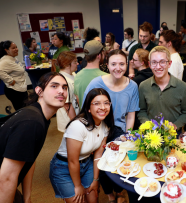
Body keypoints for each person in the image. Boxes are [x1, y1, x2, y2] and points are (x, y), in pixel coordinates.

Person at [0, 72, 68, 203]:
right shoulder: (32, 122)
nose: (61, 91)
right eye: (54, 86)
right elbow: (6, 178)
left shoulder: (38, 115)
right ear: (39, 91)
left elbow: (28, 158)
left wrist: (27, 197)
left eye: (64, 87)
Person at [83, 50, 139, 203]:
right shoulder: (96, 83)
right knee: (101, 163)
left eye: (122, 64)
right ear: (107, 65)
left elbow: (131, 115)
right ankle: (109, 194)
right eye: (113, 64)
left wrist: (127, 137)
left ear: (126, 65)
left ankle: (119, 190)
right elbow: (86, 110)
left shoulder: (132, 86)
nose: (118, 68)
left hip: (119, 130)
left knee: (121, 160)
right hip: (98, 128)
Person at [49, 88, 114, 203]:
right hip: (63, 167)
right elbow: (72, 161)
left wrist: (95, 179)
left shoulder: (104, 125)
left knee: (93, 199)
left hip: (86, 163)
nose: (103, 107)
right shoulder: (78, 126)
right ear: (88, 108)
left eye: (106, 103)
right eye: (97, 103)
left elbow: (98, 155)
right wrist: (78, 186)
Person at [138, 46, 186, 134]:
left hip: (174, 135)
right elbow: (142, 111)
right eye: (154, 62)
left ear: (169, 64)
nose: (158, 66)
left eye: (162, 62)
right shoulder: (143, 86)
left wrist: (176, 125)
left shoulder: (183, 87)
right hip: (150, 134)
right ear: (150, 64)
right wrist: (148, 124)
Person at [0, 40, 28, 111]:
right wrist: (10, 80)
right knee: (22, 111)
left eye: (16, 47)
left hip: (21, 88)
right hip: (15, 90)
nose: (16, 49)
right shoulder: (6, 60)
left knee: (25, 109)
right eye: (13, 48)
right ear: (7, 50)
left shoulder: (13, 58)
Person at [74, 40, 107, 109]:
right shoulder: (105, 77)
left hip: (84, 117)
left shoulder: (77, 75)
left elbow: (78, 99)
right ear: (99, 55)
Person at [56, 51, 80, 132]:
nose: (77, 64)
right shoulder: (62, 80)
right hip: (69, 119)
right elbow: (67, 106)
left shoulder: (73, 74)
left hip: (76, 114)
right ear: (66, 64)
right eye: (75, 62)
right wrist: (75, 123)